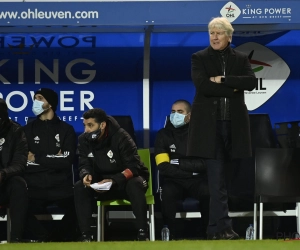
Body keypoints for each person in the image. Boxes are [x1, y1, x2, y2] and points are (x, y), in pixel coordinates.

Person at [187, 17, 257, 240]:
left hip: (234, 128)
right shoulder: (199, 58)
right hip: (210, 128)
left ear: (229, 36)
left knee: (225, 180)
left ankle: (215, 229)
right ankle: (224, 228)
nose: (214, 37)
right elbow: (203, 86)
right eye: (211, 33)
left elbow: (251, 83)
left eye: (218, 33)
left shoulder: (241, 58)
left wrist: (224, 79)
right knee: (217, 179)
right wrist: (233, 88)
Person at [74, 108, 149, 242]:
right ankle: (86, 236)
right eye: (85, 125)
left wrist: (113, 180)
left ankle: (143, 233)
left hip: (125, 181)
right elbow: (83, 163)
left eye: (90, 125)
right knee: (80, 187)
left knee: (135, 183)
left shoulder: (122, 137)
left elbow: (134, 167)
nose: (86, 130)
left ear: (102, 125)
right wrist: (86, 174)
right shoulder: (83, 139)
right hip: (101, 184)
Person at [23, 88, 78, 242]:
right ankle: (43, 237)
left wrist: (37, 158)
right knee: (17, 203)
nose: (35, 101)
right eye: (35, 98)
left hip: (60, 186)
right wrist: (54, 159)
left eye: (40, 98)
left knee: (82, 202)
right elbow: (24, 162)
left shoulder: (66, 130)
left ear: (51, 103)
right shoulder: (26, 130)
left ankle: (55, 237)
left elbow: (67, 161)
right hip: (34, 187)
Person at [154, 100, 209, 239]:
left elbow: (204, 164)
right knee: (167, 191)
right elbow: (163, 166)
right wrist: (190, 169)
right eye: (173, 112)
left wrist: (179, 163)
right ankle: (171, 234)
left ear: (189, 116)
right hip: (174, 180)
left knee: (208, 191)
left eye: (180, 112)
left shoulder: (200, 135)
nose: (175, 115)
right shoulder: (163, 135)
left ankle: (207, 233)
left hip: (196, 180)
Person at [0, 98, 28, 242]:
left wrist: (3, 173)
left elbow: (20, 163)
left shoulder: (16, 131)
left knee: (18, 183)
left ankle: (16, 239)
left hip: (5, 184)